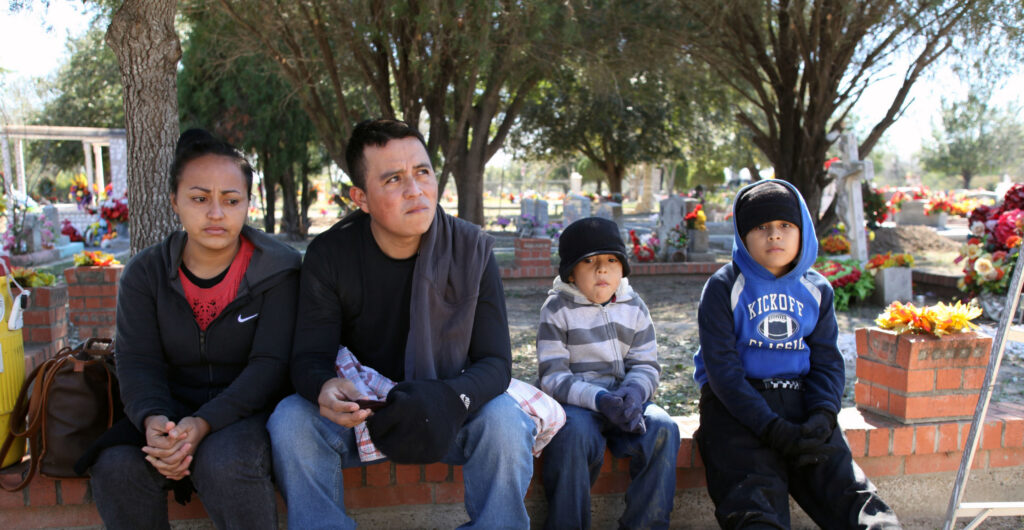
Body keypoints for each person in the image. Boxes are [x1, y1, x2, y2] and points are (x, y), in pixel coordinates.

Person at [268, 118, 535, 529]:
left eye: (423, 172)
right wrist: (324, 386)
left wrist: (449, 399)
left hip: (448, 404)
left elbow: (496, 363)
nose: (415, 190)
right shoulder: (331, 255)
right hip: (364, 410)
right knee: (291, 421)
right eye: (393, 179)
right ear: (360, 197)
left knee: (505, 422)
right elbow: (309, 357)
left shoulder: (471, 250)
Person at [85, 129, 301, 529]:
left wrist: (204, 423)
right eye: (200, 199)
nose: (216, 213)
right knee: (116, 466)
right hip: (169, 408)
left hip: (247, 412)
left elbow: (269, 366)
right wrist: (154, 421)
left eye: (231, 200)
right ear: (175, 201)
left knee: (225, 462)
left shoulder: (279, 270)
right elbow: (138, 361)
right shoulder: (145, 274)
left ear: (248, 204)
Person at [693, 179, 899, 528]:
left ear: (802, 230)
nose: (774, 234)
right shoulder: (723, 286)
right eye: (761, 227)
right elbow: (723, 372)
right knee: (753, 503)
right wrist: (771, 427)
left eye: (785, 225)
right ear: (742, 235)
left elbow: (827, 361)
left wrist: (823, 414)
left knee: (853, 498)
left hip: (802, 402)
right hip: (738, 408)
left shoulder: (817, 289)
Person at [537, 217, 680, 529]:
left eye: (611, 261)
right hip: (578, 406)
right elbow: (553, 377)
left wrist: (635, 393)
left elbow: (646, 364)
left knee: (663, 427)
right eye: (589, 261)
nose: (602, 269)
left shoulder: (635, 306)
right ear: (570, 272)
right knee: (573, 435)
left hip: (626, 401)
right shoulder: (557, 309)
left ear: (623, 268)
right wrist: (599, 399)